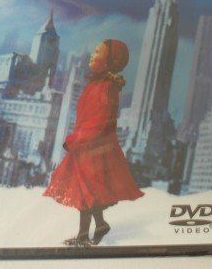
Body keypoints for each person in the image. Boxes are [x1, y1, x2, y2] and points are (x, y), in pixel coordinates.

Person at [44, 39, 143, 246]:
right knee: (86, 192)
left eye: (97, 52)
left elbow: (99, 122)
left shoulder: (106, 88)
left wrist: (74, 140)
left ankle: (88, 233)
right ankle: (94, 228)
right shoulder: (96, 84)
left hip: (93, 150)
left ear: (110, 61)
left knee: (87, 192)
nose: (92, 54)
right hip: (85, 148)